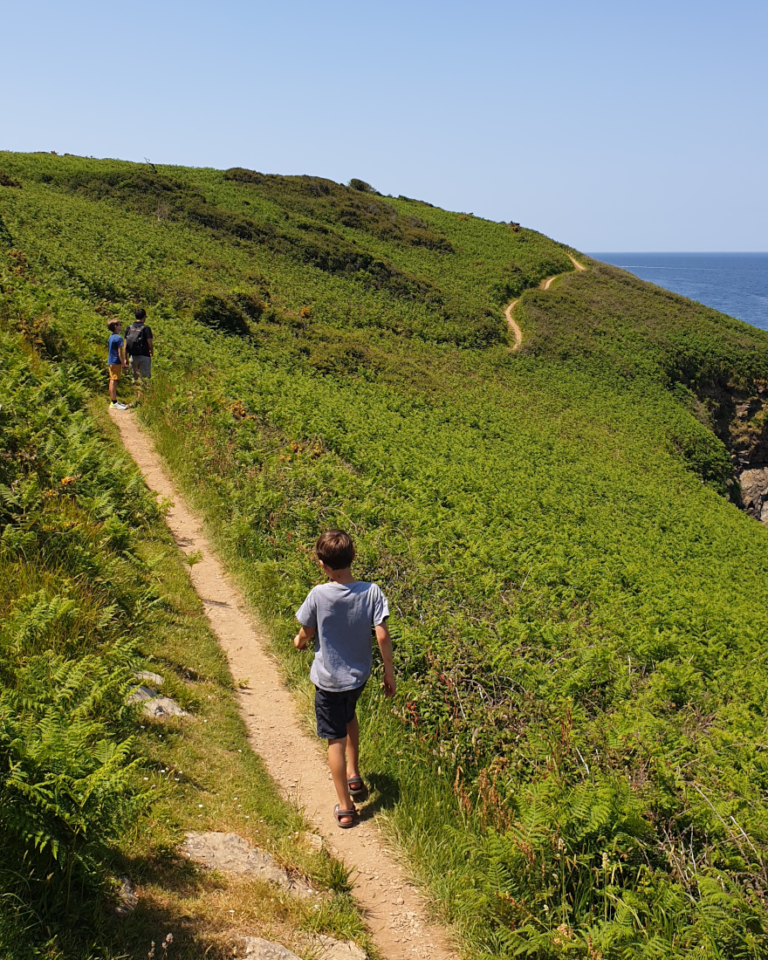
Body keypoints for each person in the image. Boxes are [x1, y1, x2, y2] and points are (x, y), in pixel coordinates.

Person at [294, 530, 396, 828]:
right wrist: (388, 672)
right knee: (349, 715)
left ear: (322, 564)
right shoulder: (372, 592)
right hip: (357, 678)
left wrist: (298, 642)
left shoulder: (319, 595)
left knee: (334, 740)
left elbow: (306, 634)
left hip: (328, 681)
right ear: (353, 557)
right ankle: (354, 775)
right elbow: (382, 635)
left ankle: (346, 805)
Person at [125, 307, 154, 382]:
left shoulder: (129, 328)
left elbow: (125, 346)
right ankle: (143, 393)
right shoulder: (146, 328)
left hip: (132, 357)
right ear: (144, 317)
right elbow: (149, 343)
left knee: (135, 378)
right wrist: (151, 352)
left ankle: (136, 393)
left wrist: (125, 358)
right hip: (144, 356)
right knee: (145, 379)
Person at [106, 319, 128, 409]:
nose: (121, 326)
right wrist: (123, 365)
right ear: (115, 326)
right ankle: (114, 402)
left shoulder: (111, 337)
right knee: (114, 381)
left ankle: (113, 400)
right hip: (116, 362)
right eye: (119, 324)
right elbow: (120, 353)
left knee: (112, 380)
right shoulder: (118, 338)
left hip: (111, 361)